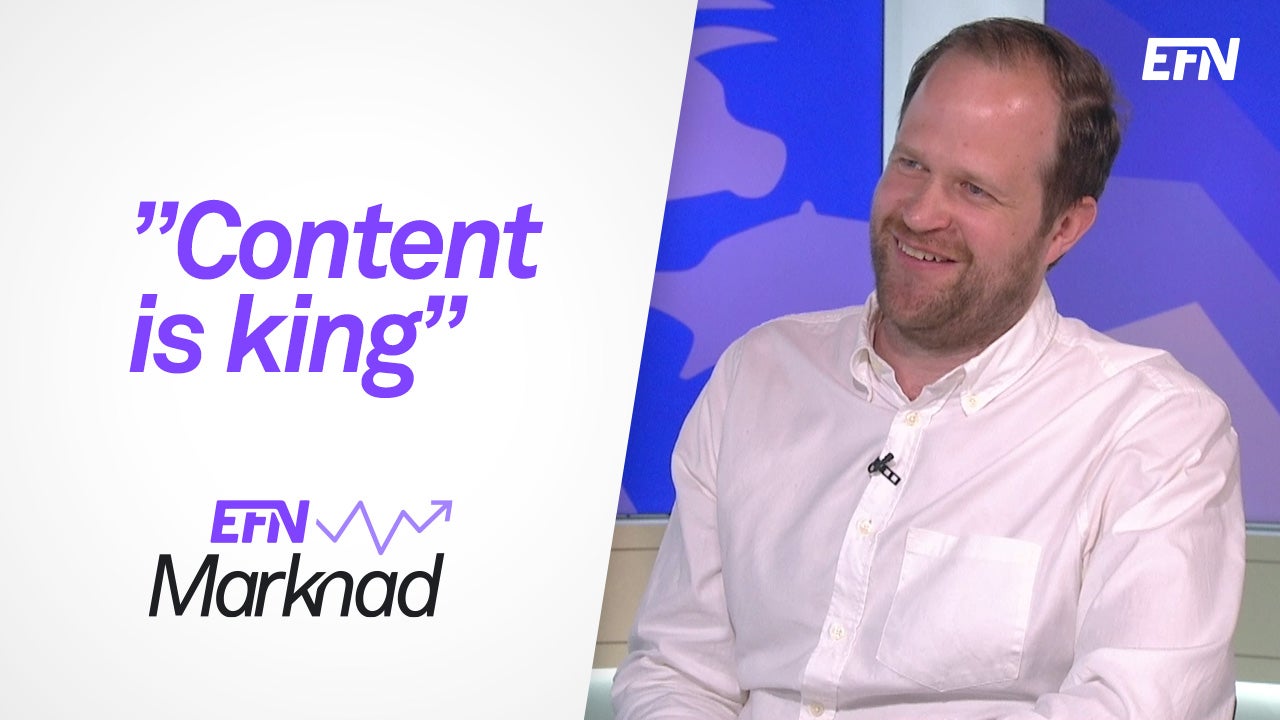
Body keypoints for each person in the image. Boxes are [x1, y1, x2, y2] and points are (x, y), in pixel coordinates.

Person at [612, 17, 1244, 720]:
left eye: (974, 190)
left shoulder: (1156, 430)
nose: (920, 214)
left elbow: (1134, 708)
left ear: (1064, 227)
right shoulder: (757, 374)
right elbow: (677, 672)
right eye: (911, 164)